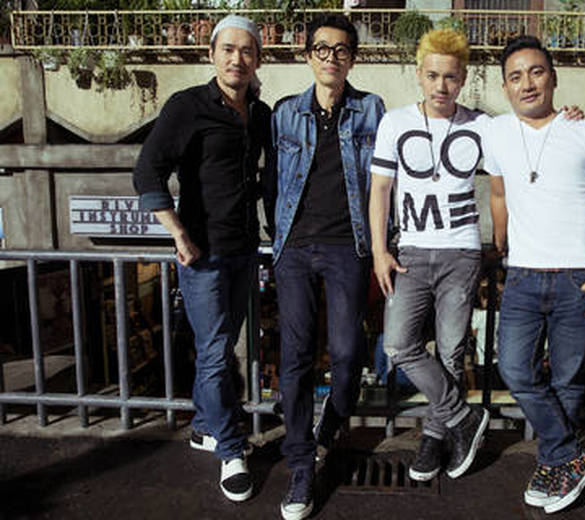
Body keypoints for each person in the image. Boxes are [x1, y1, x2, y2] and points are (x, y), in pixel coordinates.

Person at [133, 15, 273, 502]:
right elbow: (147, 171)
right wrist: (178, 233)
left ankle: (203, 426)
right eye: (228, 49)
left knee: (220, 346)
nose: (237, 59)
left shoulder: (259, 113)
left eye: (247, 50)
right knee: (215, 354)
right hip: (202, 255)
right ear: (211, 54)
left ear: (258, 59)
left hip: (243, 251)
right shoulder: (187, 106)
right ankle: (231, 452)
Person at [484, 36, 585, 514]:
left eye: (536, 71)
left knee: (568, 378)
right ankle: (569, 454)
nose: (527, 83)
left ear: (553, 78)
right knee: (513, 368)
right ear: (505, 87)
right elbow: (498, 193)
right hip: (522, 274)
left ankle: (552, 464)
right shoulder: (495, 131)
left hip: (577, 275)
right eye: (516, 76)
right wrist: (500, 240)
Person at [270, 13, 385, 520]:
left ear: (352, 59)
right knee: (294, 354)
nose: (331, 58)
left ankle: (330, 423)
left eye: (341, 50)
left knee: (347, 350)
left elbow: (385, 178)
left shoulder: (371, 109)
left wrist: (382, 243)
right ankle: (300, 463)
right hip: (294, 248)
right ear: (308, 55)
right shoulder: (284, 113)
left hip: (348, 246)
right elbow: (272, 181)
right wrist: (278, 237)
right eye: (322, 48)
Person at [368, 28, 491, 483]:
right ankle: (463, 417)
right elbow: (380, 190)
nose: (442, 86)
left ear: (463, 79)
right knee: (398, 345)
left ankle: (434, 438)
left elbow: (527, 141)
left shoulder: (482, 125)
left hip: (462, 252)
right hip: (411, 252)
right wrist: (379, 250)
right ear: (419, 75)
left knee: (452, 352)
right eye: (434, 76)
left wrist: (570, 117)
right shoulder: (395, 122)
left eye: (451, 77)